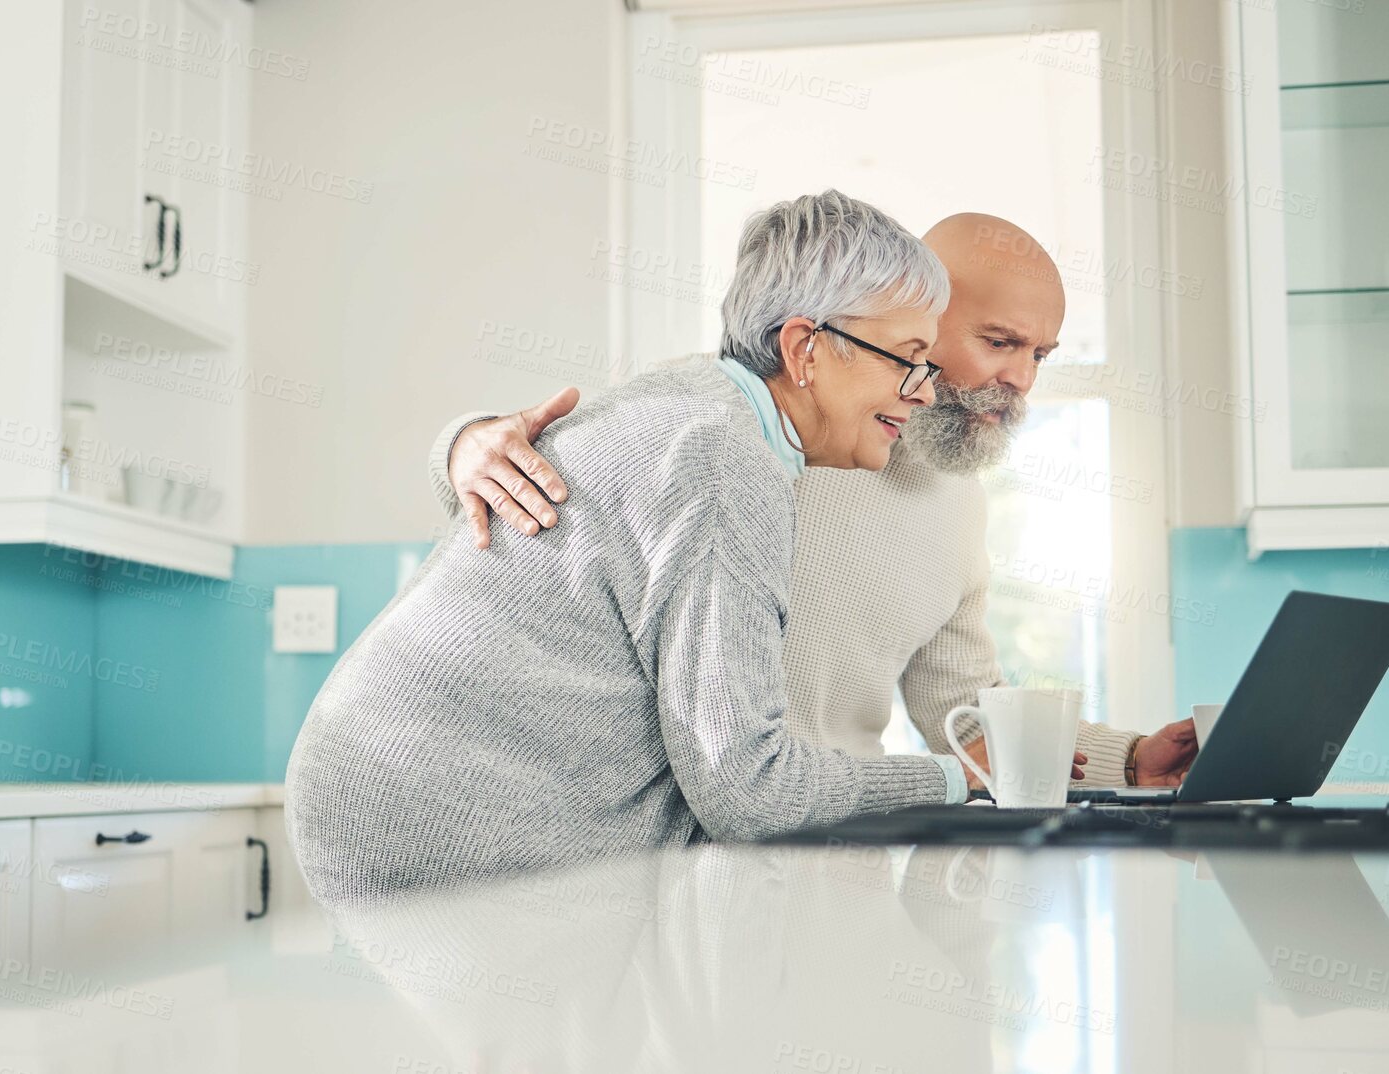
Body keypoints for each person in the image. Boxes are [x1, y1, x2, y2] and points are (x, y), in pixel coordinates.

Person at [287, 191, 978, 905]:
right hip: (443, 830)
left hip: (382, 802)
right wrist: (960, 780)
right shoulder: (721, 457)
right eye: (907, 360)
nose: (923, 394)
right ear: (804, 348)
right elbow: (751, 791)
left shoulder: (688, 402)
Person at [431, 212, 1197, 787]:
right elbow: (552, 476)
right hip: (696, 831)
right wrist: (461, 443)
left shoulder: (957, 500)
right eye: (998, 342)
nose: (1022, 380)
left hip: (837, 825)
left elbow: (961, 711)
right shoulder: (740, 422)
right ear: (914, 319)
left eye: (1039, 354)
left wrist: (1129, 761)